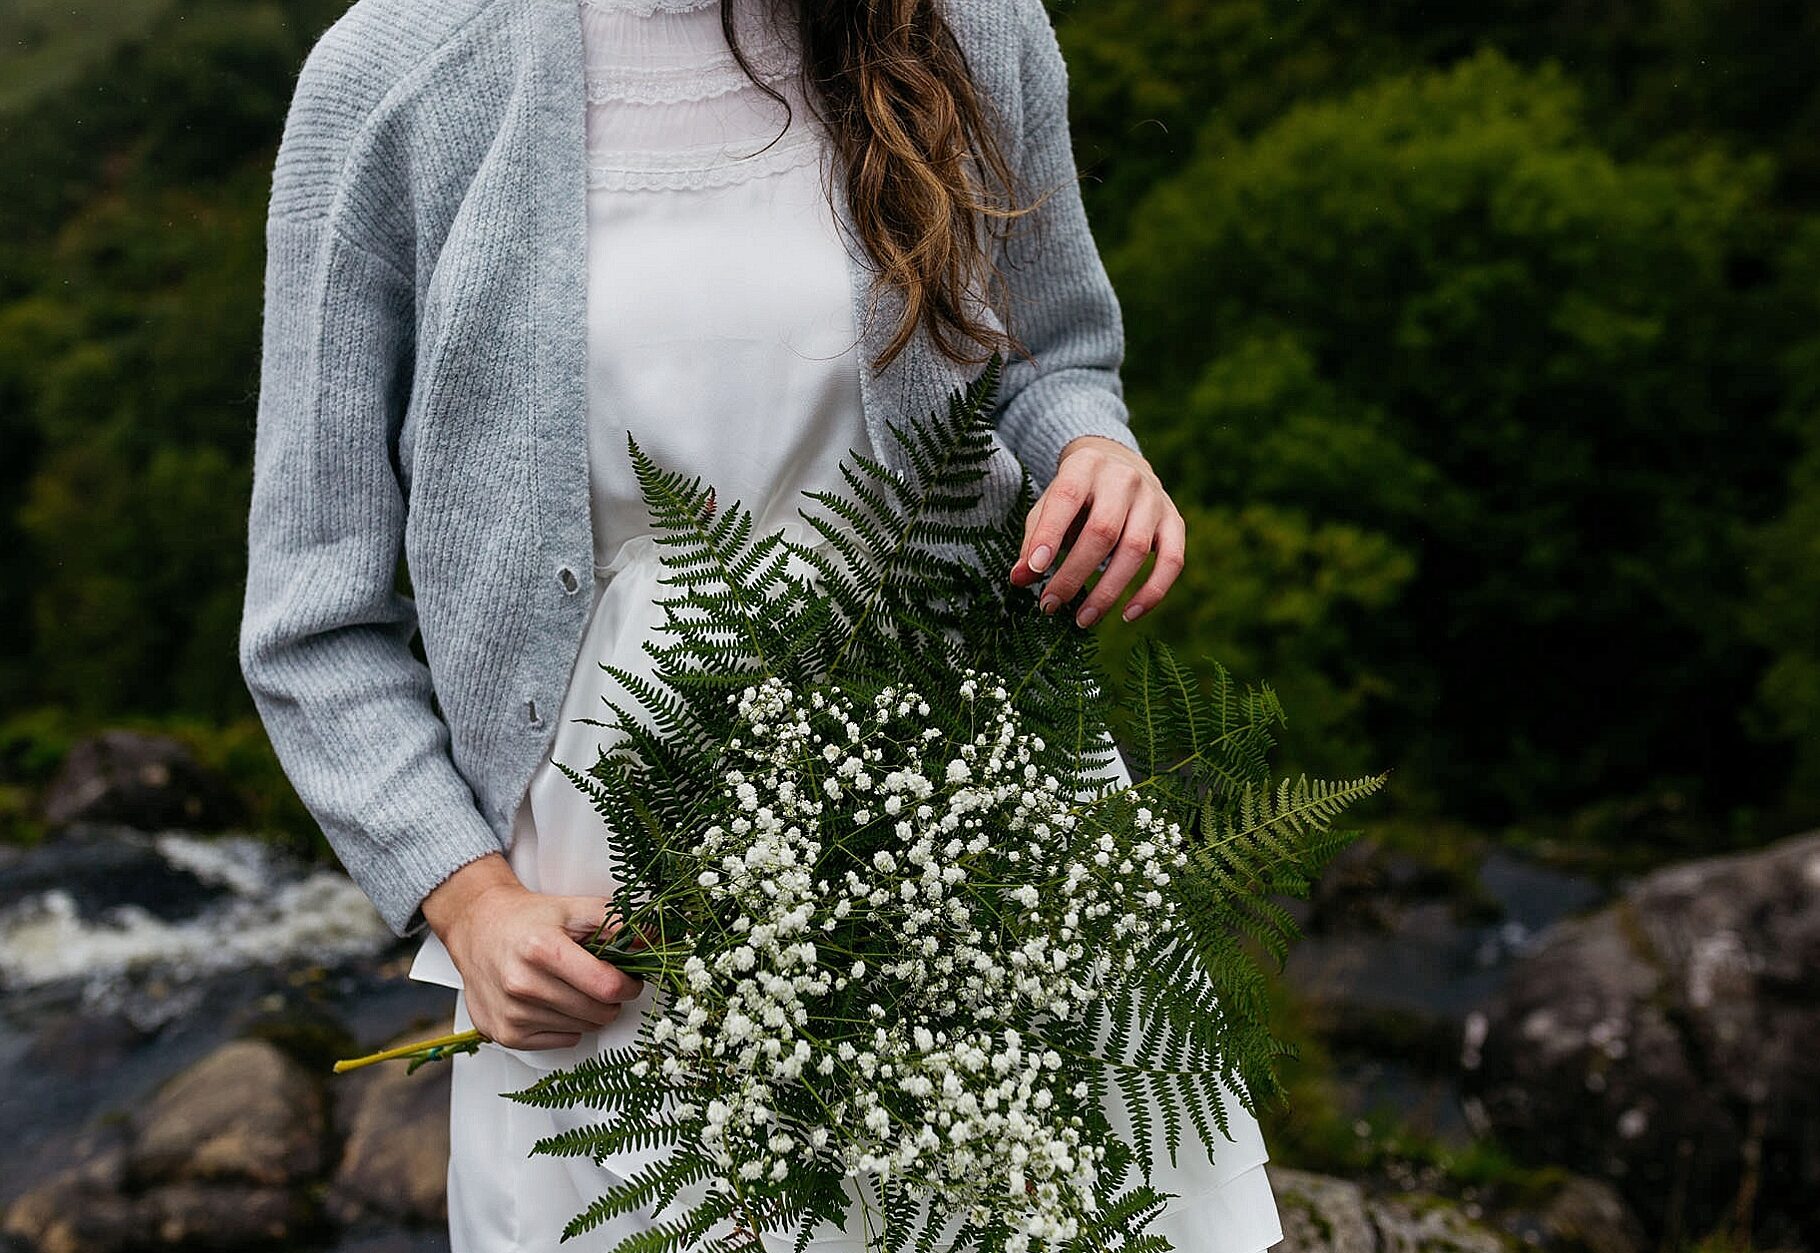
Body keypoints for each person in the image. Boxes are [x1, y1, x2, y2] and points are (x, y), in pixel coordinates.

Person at [241, 0, 1282, 1248]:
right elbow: (311, 616)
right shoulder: (395, 73)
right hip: (620, 890)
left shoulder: (970, 21)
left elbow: (1052, 354)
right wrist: (465, 900)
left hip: (969, 803)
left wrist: (1095, 451)